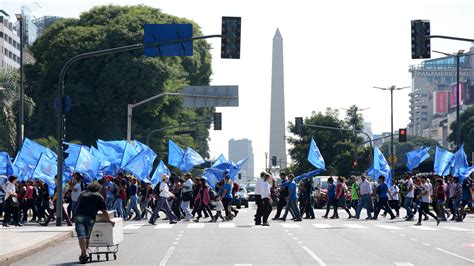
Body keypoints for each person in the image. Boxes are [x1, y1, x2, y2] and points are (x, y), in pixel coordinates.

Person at [74, 182, 115, 264]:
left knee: (81, 236)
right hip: (90, 218)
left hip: (79, 216)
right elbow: (104, 211)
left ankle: (83, 254)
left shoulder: (82, 193)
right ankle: (83, 254)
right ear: (98, 189)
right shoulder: (99, 196)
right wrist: (109, 221)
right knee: (87, 237)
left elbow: (77, 203)